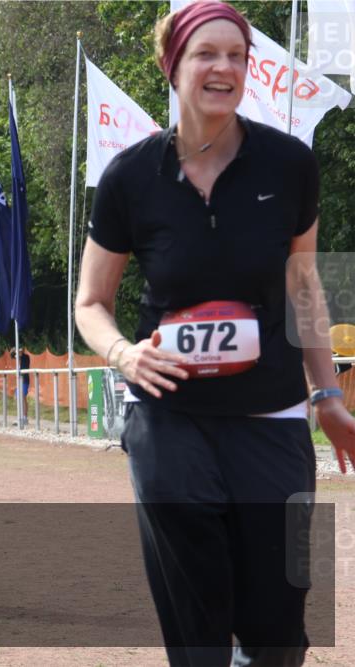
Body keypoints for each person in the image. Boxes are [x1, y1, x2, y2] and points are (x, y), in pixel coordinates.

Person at [74, 3, 355, 665]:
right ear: (174, 65)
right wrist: (123, 353)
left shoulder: (289, 165)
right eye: (207, 53)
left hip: (273, 417)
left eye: (237, 54)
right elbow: (90, 302)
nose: (224, 66)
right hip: (169, 419)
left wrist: (328, 396)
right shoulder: (130, 178)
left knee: (277, 625)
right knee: (197, 617)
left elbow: (304, 286)